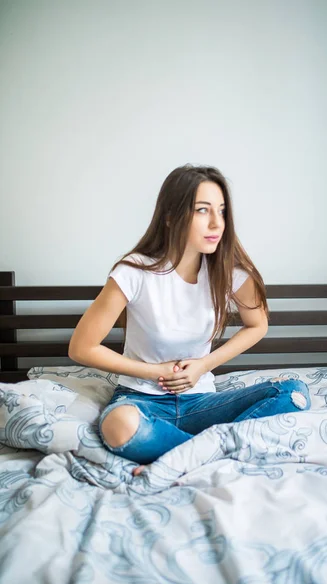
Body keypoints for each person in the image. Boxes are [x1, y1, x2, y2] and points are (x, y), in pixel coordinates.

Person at [68, 164, 311, 476]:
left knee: (294, 393)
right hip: (141, 400)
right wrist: (153, 371)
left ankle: (183, 457)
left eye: (221, 211)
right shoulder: (134, 272)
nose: (216, 223)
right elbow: (82, 347)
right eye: (202, 210)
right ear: (171, 216)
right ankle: (215, 451)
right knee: (118, 425)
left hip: (202, 403)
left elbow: (258, 324)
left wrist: (203, 365)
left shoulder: (230, 273)